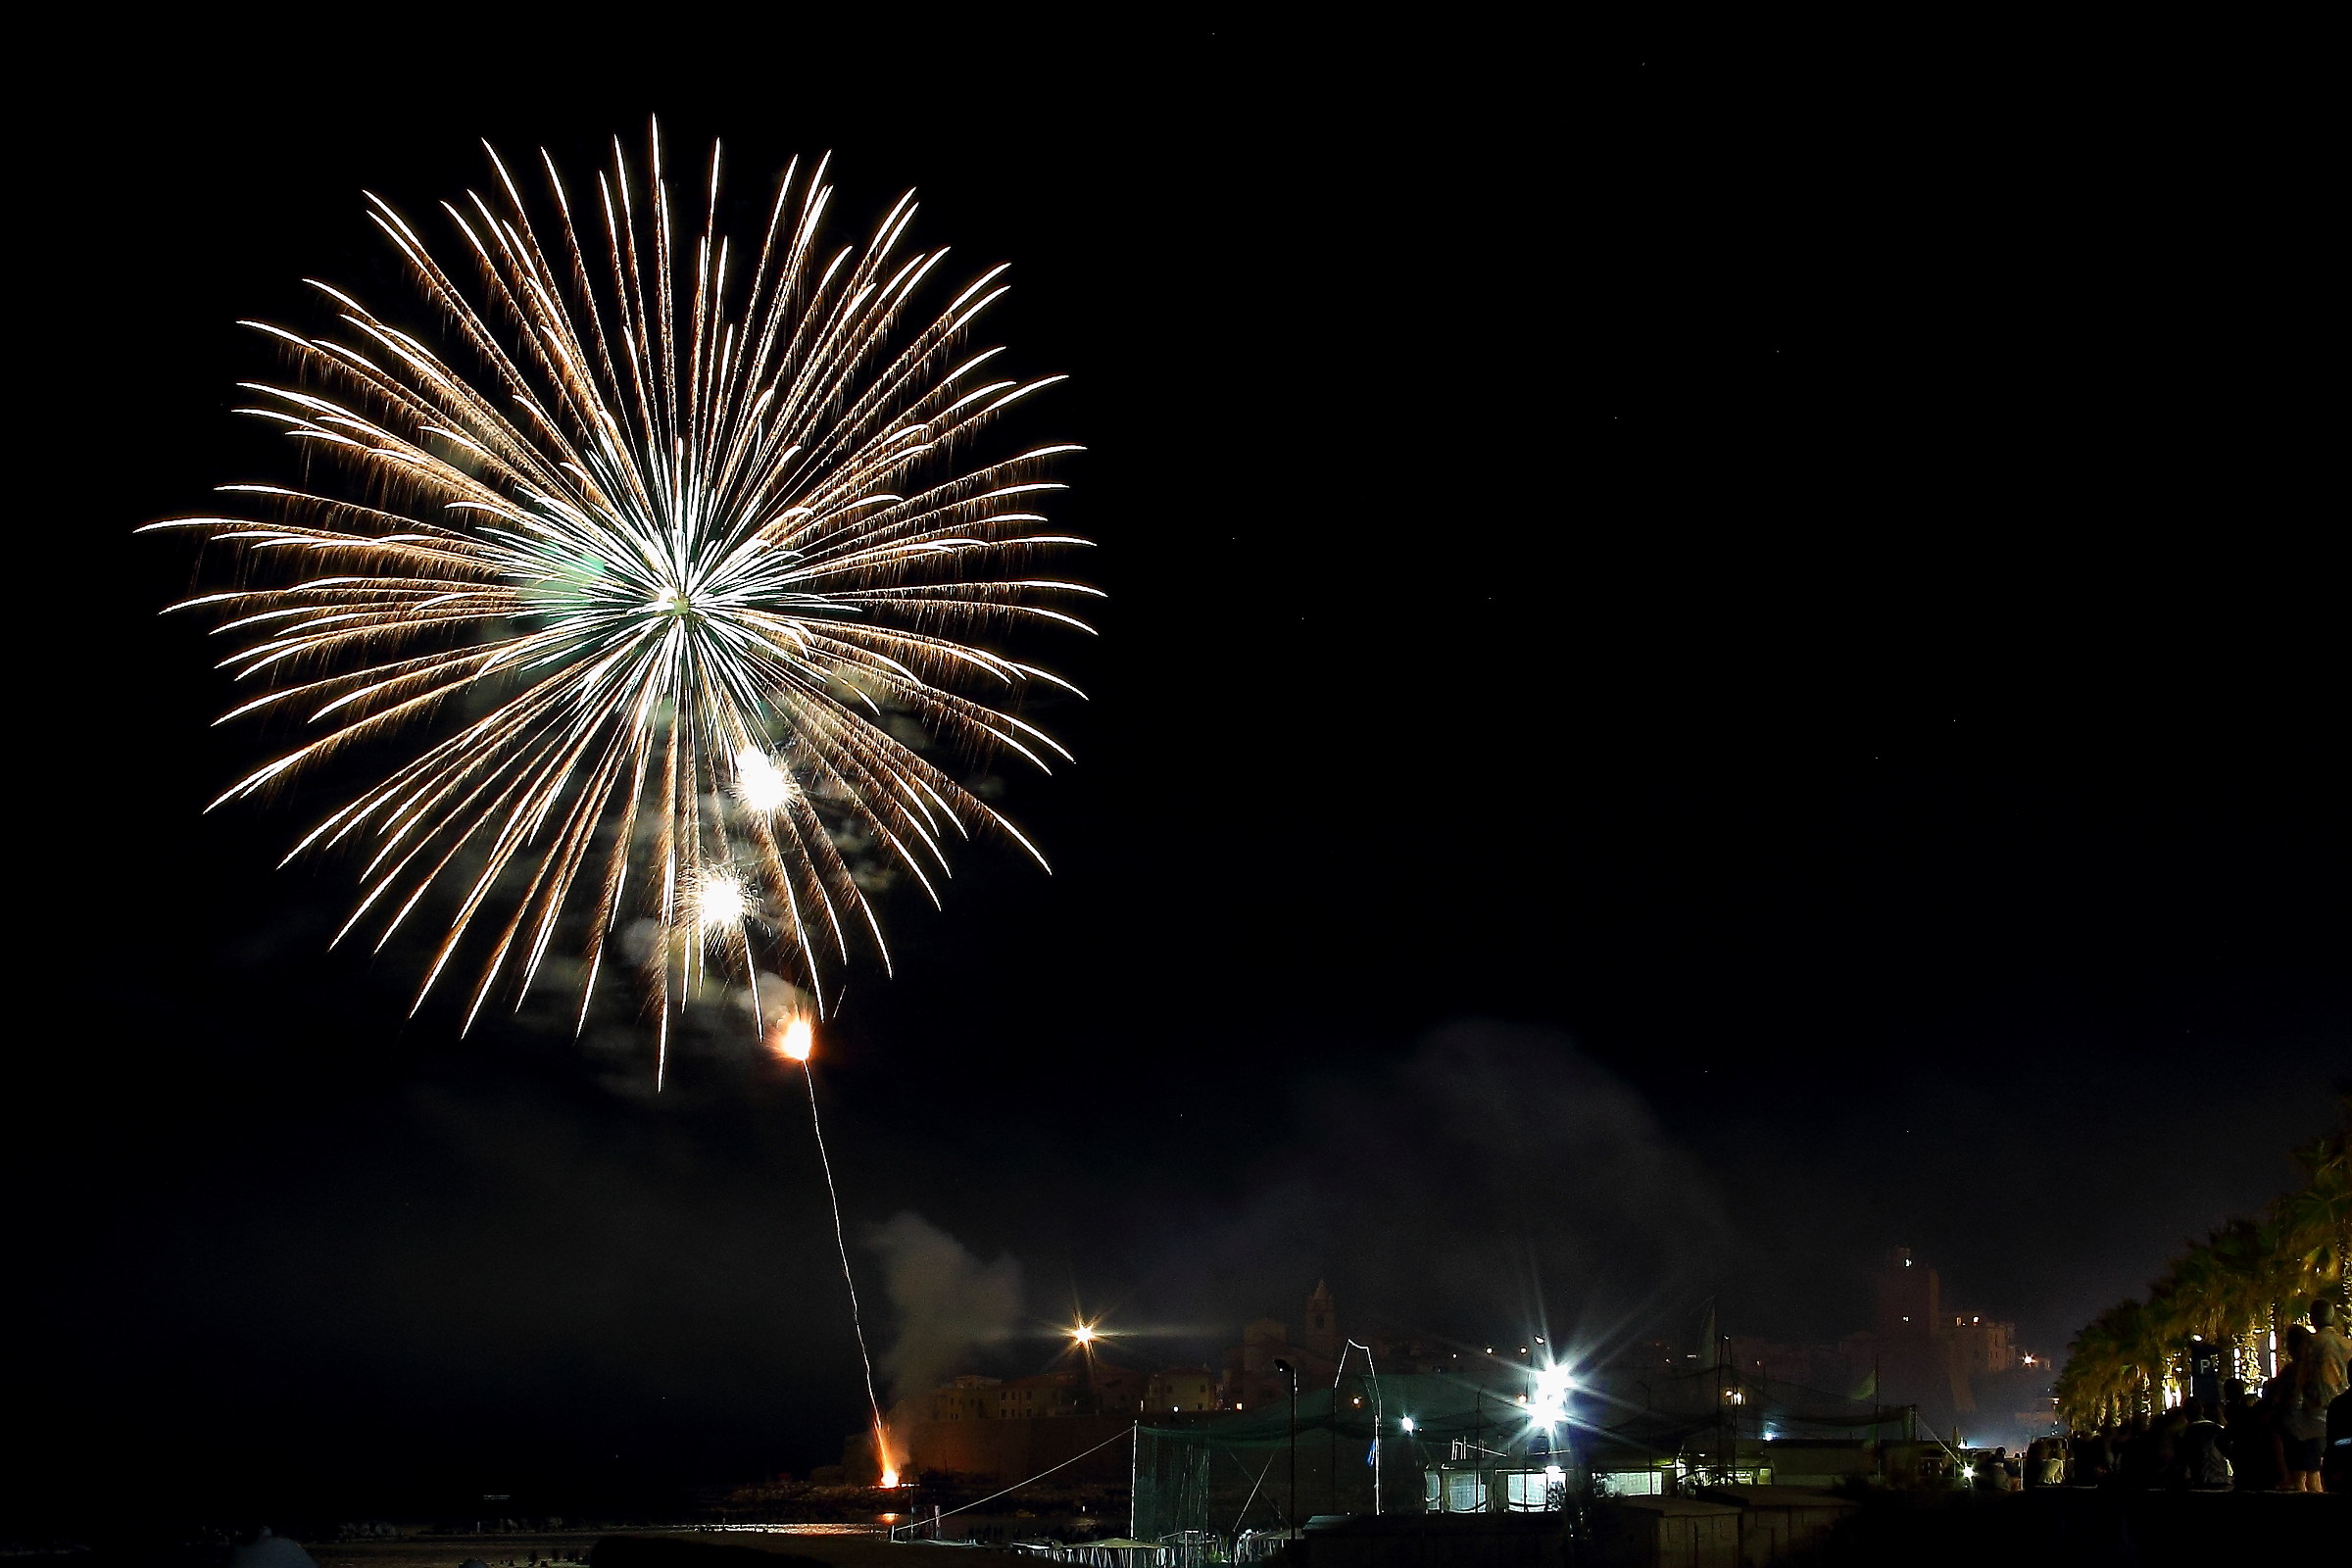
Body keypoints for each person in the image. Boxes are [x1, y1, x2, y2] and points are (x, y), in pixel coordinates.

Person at [2278, 1324, 2328, 1493]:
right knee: (2313, 1476)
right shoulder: (2317, 1368)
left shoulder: (2293, 1370)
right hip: (2317, 1424)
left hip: (2297, 1427)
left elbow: (2287, 1397)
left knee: (2298, 1478)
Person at [2167, 1400, 2232, 1490]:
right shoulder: (2219, 1429)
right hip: (2222, 1480)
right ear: (2201, 1410)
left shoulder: (2184, 1433)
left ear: (2185, 1413)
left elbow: (2181, 1462)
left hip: (2200, 1482)